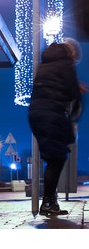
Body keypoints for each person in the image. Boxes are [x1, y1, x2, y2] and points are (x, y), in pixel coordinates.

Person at [28, 38, 86, 216]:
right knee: (57, 158)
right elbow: (70, 92)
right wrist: (79, 89)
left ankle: (51, 201)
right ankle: (47, 203)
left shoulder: (46, 63)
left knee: (55, 157)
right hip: (51, 113)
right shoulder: (65, 63)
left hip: (36, 114)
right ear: (73, 53)